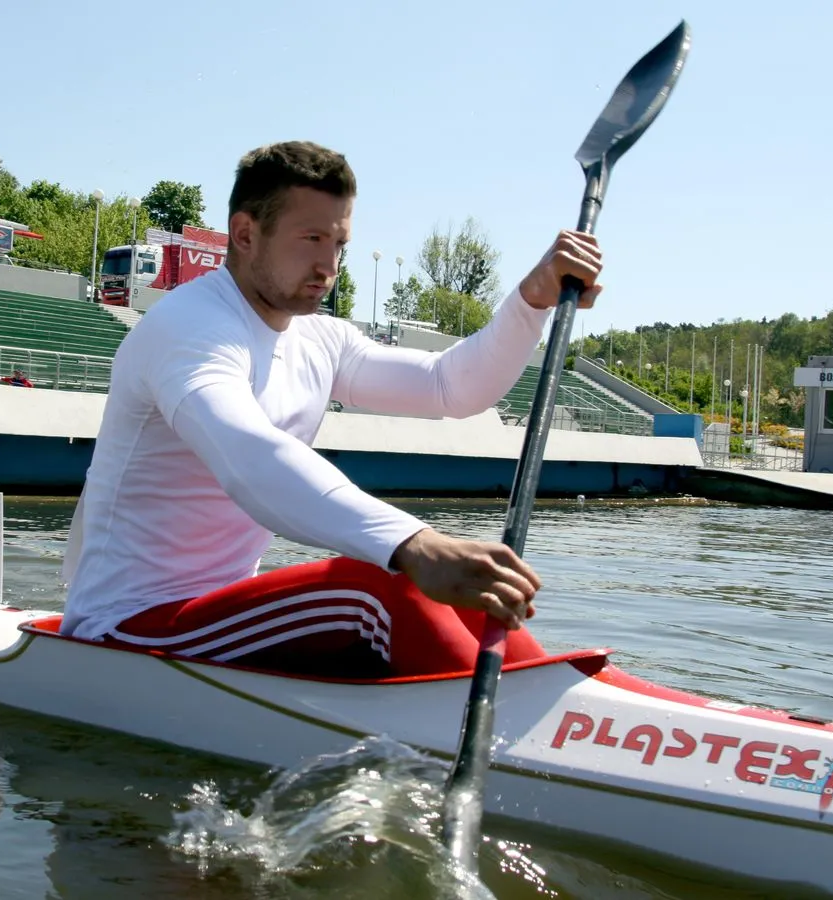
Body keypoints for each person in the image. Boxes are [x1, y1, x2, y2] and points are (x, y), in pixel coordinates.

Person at [59, 140, 604, 678]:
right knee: (374, 585)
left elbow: (450, 387)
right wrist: (415, 543)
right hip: (122, 627)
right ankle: (530, 729)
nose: (330, 264)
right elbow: (251, 458)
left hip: (222, 614)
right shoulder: (189, 329)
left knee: (449, 586)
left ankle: (580, 699)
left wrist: (532, 299)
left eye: (340, 242)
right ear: (246, 234)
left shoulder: (320, 339)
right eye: (312, 238)